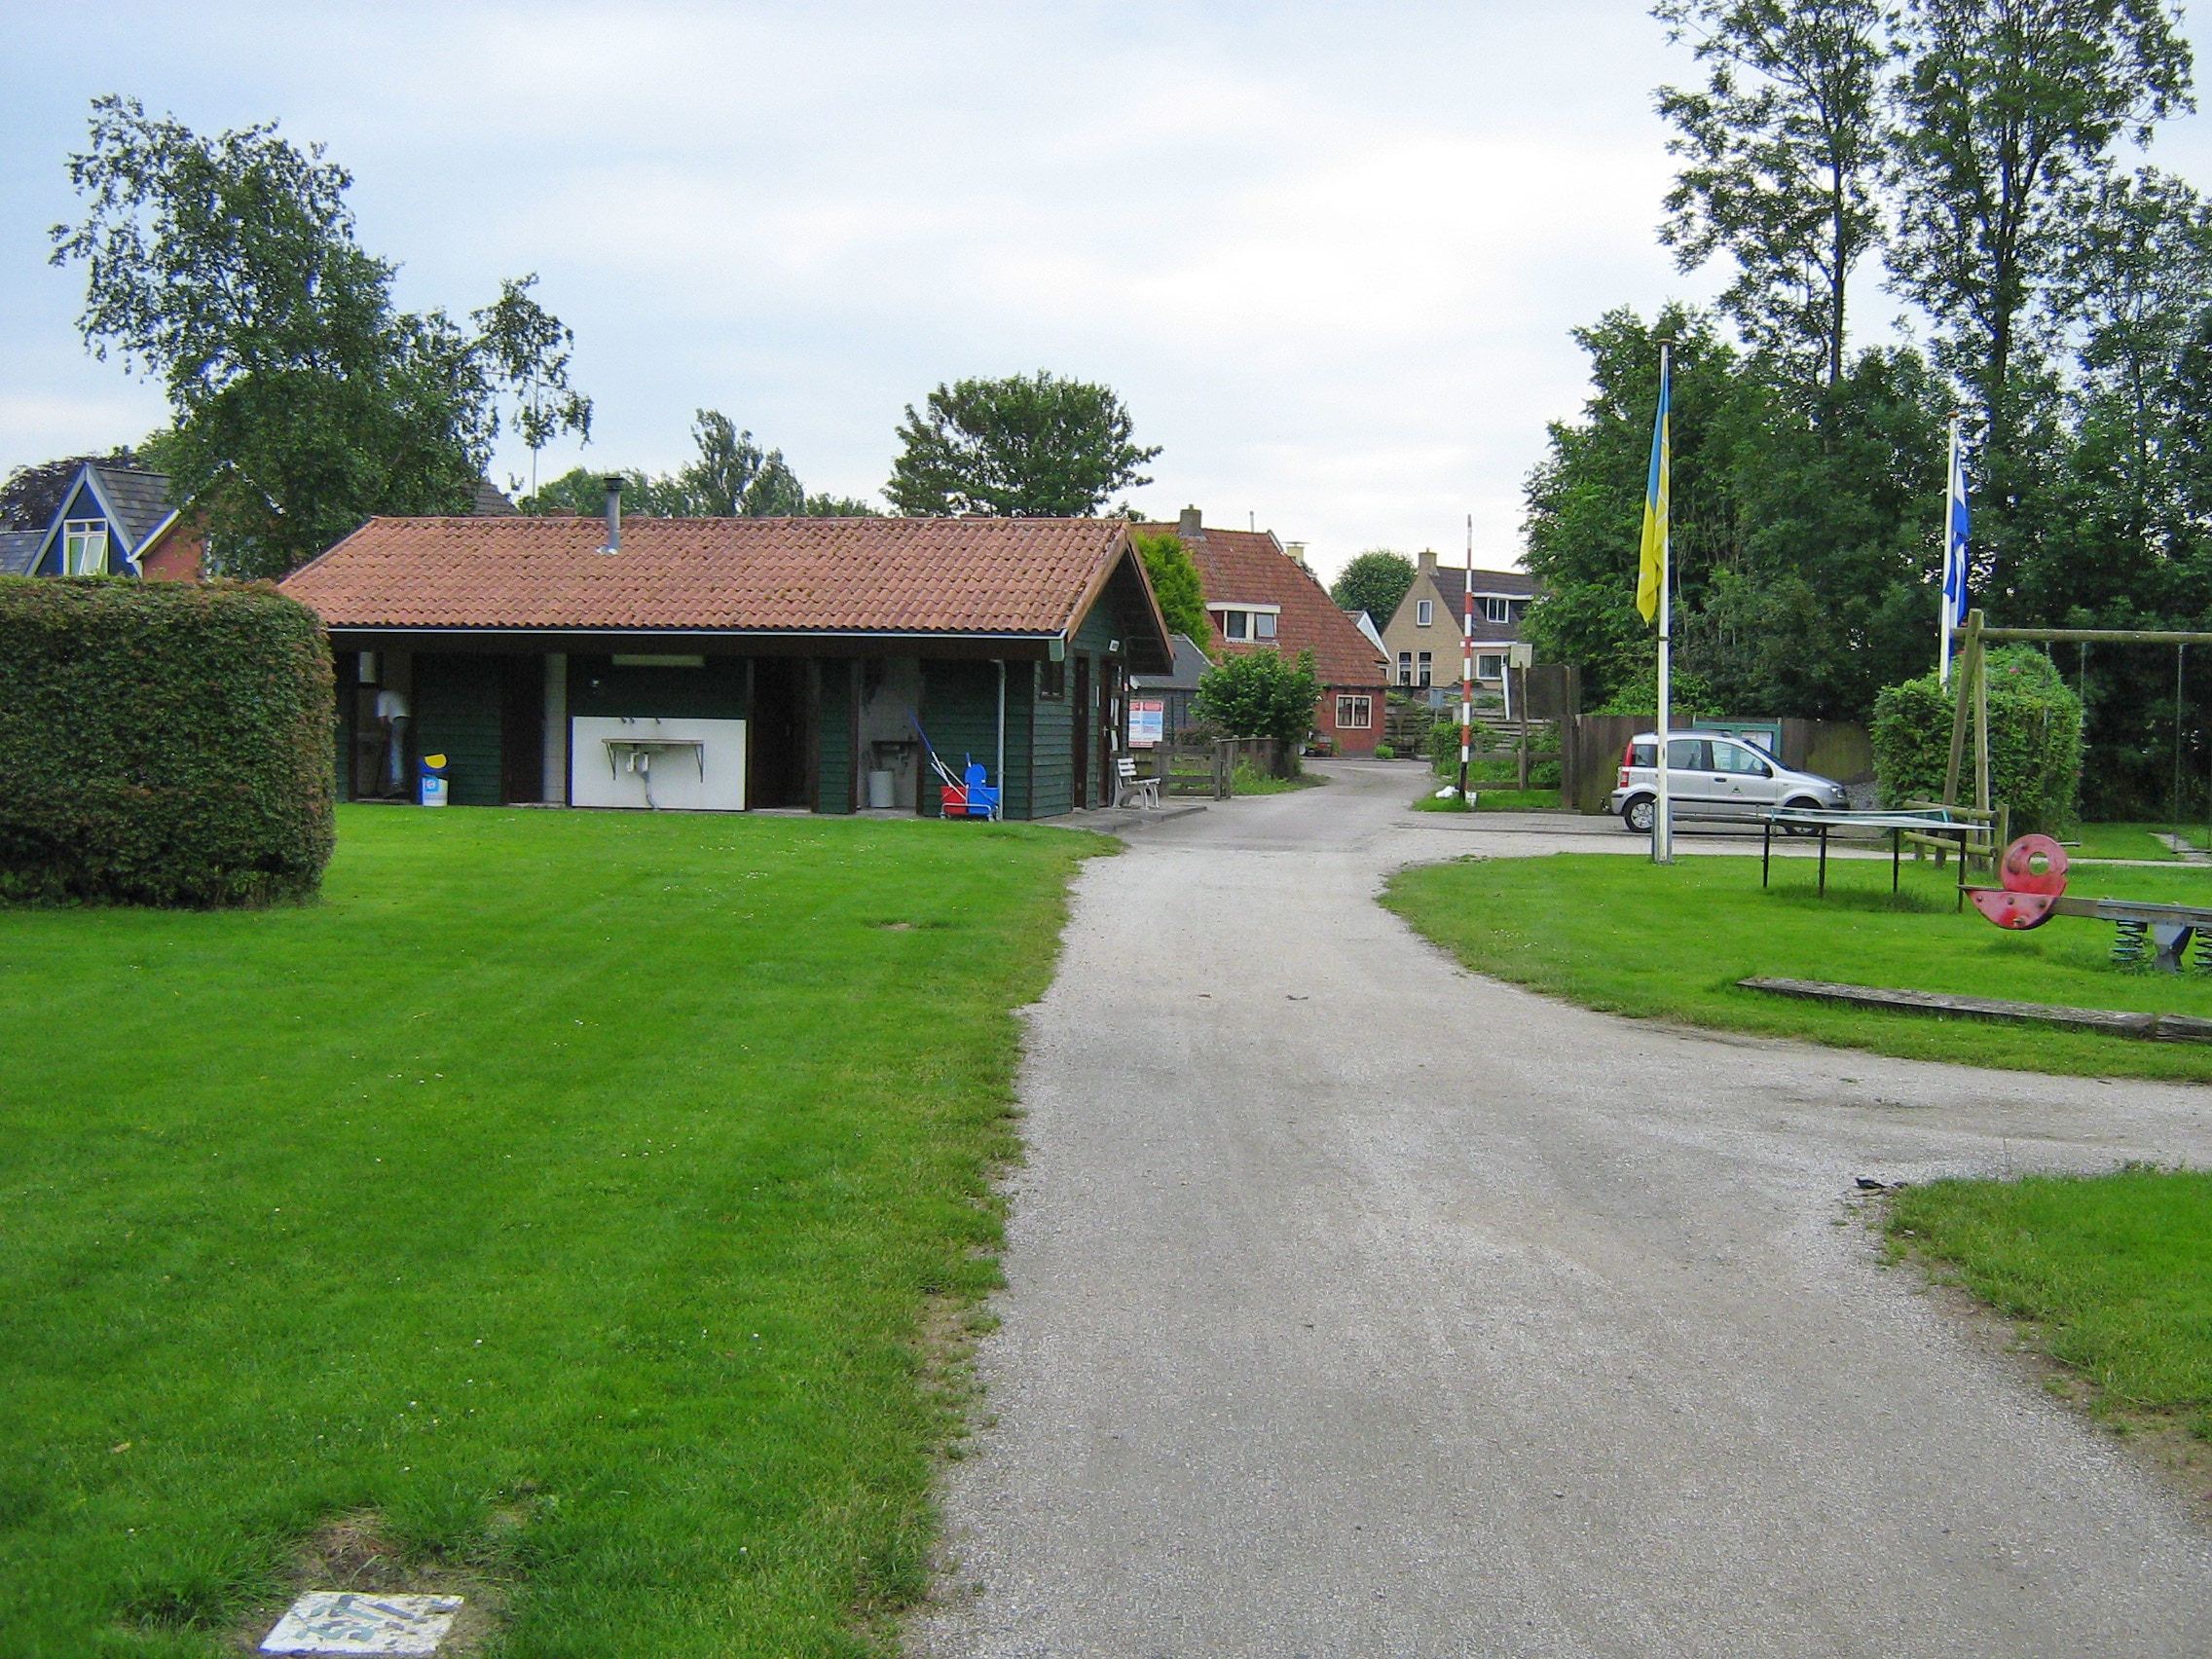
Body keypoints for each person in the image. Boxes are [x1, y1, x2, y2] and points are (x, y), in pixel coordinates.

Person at [375, 685, 410, 797]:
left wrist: (384, 733)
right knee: (400, 750)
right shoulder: (395, 693)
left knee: (395, 751)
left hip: (397, 720)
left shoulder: (382, 696)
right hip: (407, 719)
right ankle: (402, 781)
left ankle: (397, 783)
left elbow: (382, 718)